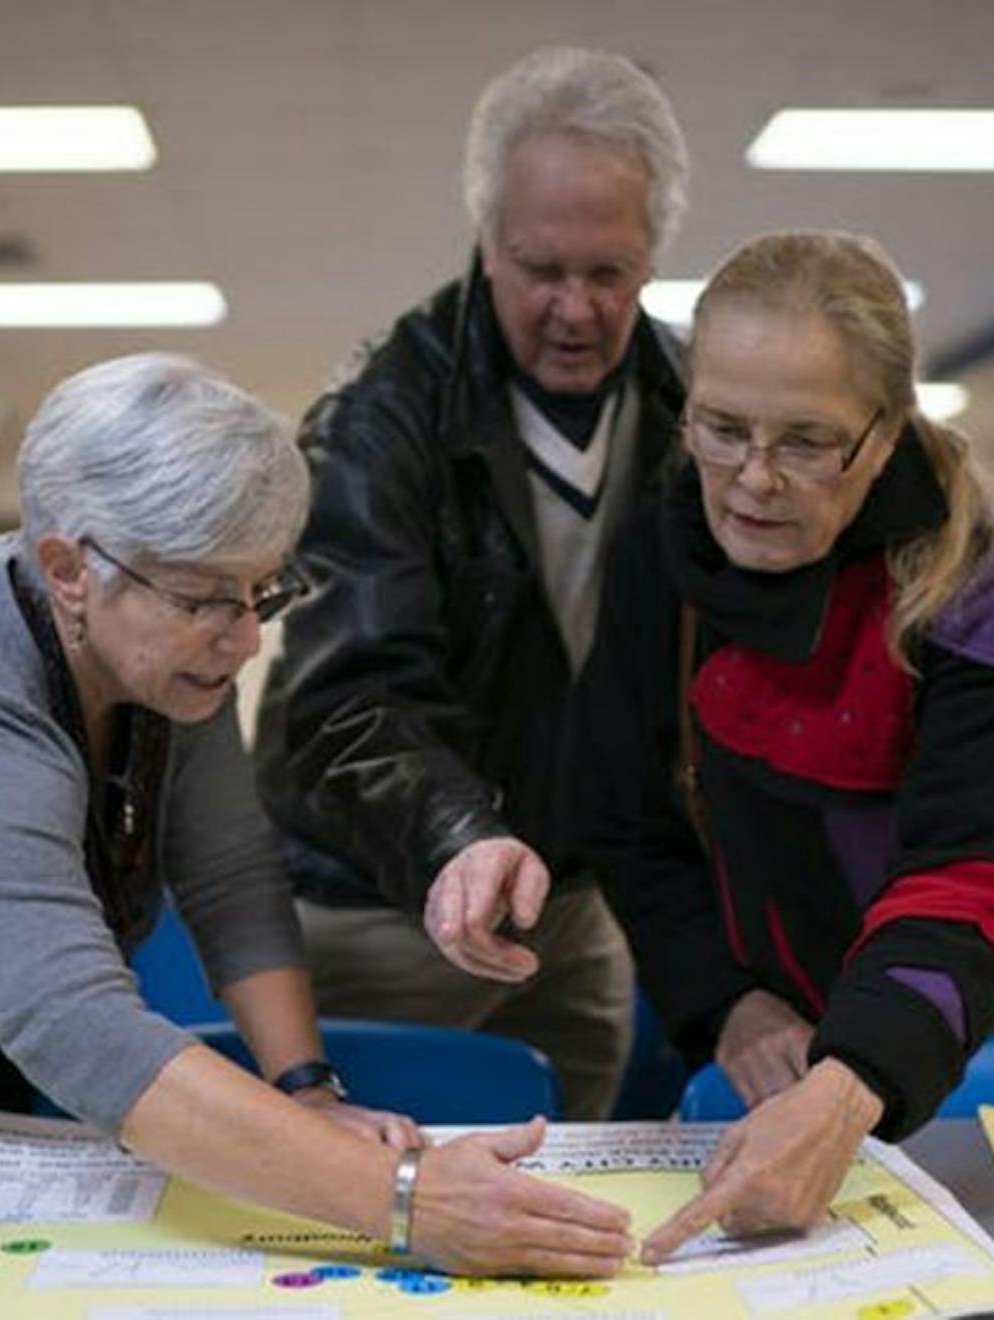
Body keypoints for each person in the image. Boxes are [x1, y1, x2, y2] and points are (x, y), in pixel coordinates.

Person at [0, 354, 633, 1278]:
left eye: (262, 592)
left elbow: (233, 873)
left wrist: (309, 1091)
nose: (246, 638)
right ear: (71, 570)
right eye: (211, 599)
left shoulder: (160, 653)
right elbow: (67, 1014)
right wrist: (407, 1199)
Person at [564, 232, 994, 1262]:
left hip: (990, 998)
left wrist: (854, 1079)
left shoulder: (985, 574)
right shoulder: (661, 545)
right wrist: (728, 1006)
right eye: (722, 429)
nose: (753, 480)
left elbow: (970, 874)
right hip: (778, 996)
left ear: (883, 435)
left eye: (806, 441)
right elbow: (626, 817)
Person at [253, 47, 690, 1120]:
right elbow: (347, 696)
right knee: (371, 1197)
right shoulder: (380, 415)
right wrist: (462, 840)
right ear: (487, 241)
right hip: (383, 904)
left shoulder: (697, 404)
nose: (578, 309)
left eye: (610, 272)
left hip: (573, 906)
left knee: (567, 1190)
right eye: (543, 270)